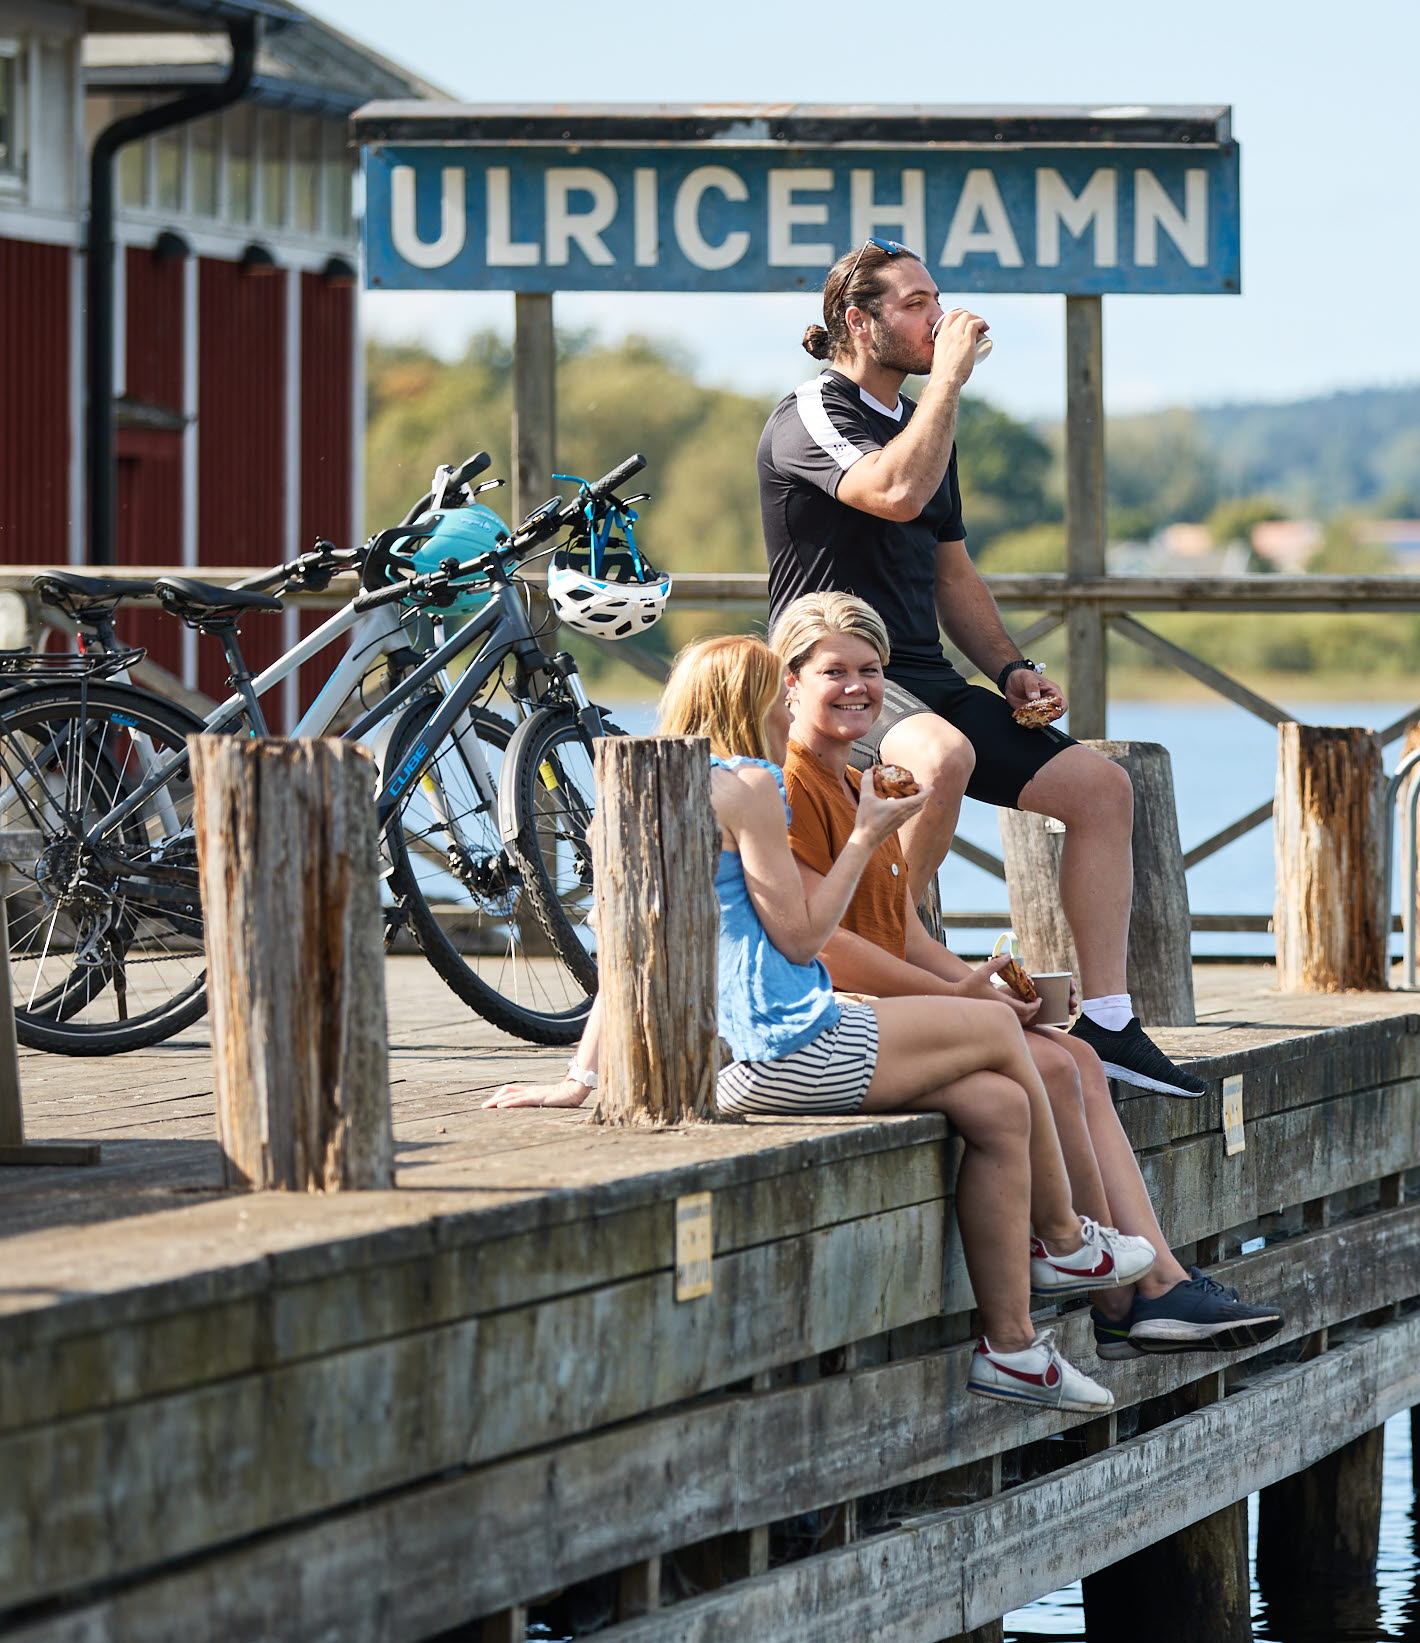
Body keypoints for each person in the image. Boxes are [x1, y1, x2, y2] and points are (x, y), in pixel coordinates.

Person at [482, 634, 1158, 1411]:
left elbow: (631, 952)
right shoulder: (749, 785)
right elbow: (803, 939)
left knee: (1000, 1105)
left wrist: (582, 1077)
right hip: (788, 1045)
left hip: (732, 1061)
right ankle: (1066, 1241)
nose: (791, 704)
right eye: (781, 688)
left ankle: (1014, 1351)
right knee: (1006, 1034)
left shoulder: (643, 794)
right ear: (751, 700)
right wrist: (868, 833)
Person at [771, 591, 1284, 1360]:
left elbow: (899, 929)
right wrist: (960, 998)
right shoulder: (790, 786)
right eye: (834, 672)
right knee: (1050, 1063)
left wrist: (986, 983)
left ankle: (1150, 1283)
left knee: (1075, 1053)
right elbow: (829, 946)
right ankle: (1130, 1295)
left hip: (896, 1003)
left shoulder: (859, 782)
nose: (857, 688)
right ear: (790, 683)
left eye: (871, 671)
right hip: (837, 1014)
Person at [757, 237, 1208, 1100]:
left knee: (1102, 790)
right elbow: (891, 494)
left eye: (937, 299)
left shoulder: (925, 424)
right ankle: (891, 957)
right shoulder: (810, 412)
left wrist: (1010, 670)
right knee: (941, 758)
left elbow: (953, 571)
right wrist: (950, 385)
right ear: (859, 321)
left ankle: (1109, 1020)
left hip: (924, 677)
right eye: (917, 303)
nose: (943, 317)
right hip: (835, 679)